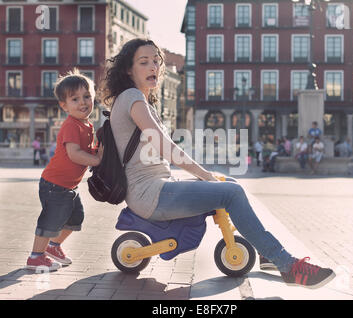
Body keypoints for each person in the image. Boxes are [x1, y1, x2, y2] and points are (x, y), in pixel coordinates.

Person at [98, 38, 335, 289]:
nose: (153, 67)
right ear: (128, 69)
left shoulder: (141, 101)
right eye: (144, 62)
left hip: (157, 187)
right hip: (149, 193)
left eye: (156, 61)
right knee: (231, 192)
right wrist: (203, 173)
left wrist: (207, 175)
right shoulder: (133, 97)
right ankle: (289, 267)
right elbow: (166, 147)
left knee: (228, 182)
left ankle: (267, 255)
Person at [26, 69, 103, 272]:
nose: (83, 102)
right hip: (54, 184)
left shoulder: (87, 125)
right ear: (64, 106)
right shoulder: (71, 125)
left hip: (69, 185)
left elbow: (86, 150)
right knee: (51, 219)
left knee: (75, 218)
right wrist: (96, 160)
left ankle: (53, 246)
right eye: (75, 99)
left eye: (87, 97)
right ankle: (36, 256)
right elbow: (75, 154)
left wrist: (99, 150)